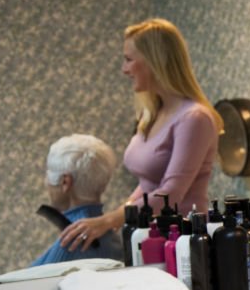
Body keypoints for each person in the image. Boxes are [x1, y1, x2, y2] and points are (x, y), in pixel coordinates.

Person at [58, 18, 222, 252]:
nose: (124, 69)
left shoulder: (194, 119)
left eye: (129, 60)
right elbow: (147, 185)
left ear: (156, 61)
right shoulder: (152, 113)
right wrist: (120, 217)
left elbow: (171, 194)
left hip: (184, 243)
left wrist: (110, 220)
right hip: (151, 237)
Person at [31, 134, 123, 266]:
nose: (46, 182)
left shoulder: (74, 241)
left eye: (48, 174)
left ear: (65, 182)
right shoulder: (111, 238)